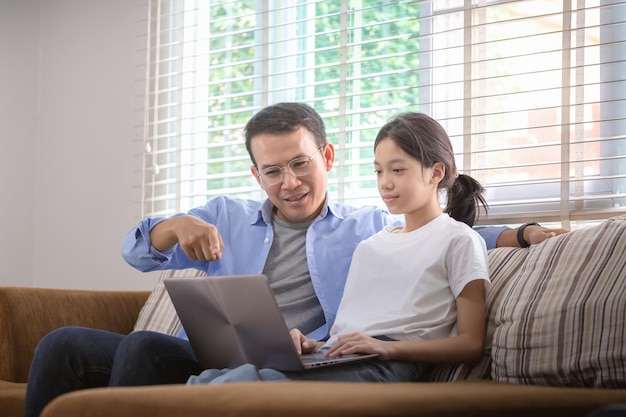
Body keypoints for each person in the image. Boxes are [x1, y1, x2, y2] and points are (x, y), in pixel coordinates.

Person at [23, 103, 564, 417]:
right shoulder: (222, 216)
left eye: (301, 164)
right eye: (273, 171)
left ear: (326, 157)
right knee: (62, 344)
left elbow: (441, 232)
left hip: (296, 359)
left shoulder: (366, 229)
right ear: (256, 174)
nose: (291, 182)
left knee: (140, 347)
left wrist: (522, 232)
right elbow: (134, 251)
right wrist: (174, 227)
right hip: (207, 354)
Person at [187, 111, 490, 384]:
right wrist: (311, 344)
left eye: (397, 170)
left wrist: (386, 347)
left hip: (391, 362)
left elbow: (470, 343)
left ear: (436, 173)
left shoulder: (459, 240)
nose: (385, 183)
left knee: (246, 384)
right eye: (378, 171)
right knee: (214, 378)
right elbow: (346, 331)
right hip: (341, 354)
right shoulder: (371, 245)